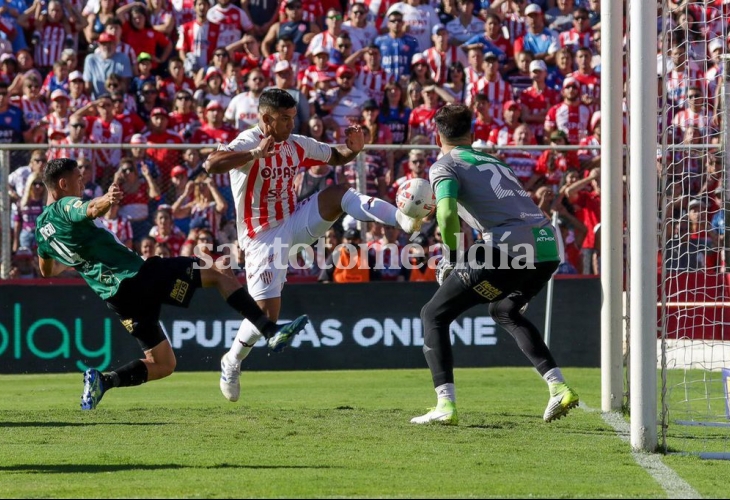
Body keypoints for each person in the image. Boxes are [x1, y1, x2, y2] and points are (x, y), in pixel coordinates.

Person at [35, 157, 309, 411]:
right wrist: (106, 199)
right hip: (135, 276)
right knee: (217, 270)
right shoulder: (64, 206)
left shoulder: (41, 228)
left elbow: (47, 270)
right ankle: (269, 329)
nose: (82, 183)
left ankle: (103, 381)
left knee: (164, 363)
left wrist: (79, 259)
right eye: (78, 178)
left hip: (116, 298)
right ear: (63, 184)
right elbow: (89, 208)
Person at [204, 88, 422, 403]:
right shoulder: (248, 142)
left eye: (294, 117)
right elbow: (212, 164)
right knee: (266, 313)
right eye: (284, 118)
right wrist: (254, 155)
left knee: (340, 193)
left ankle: (401, 220)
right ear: (266, 118)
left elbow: (335, 155)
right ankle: (232, 360)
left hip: (293, 221)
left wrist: (354, 150)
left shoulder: (296, 144)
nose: (292, 123)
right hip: (260, 237)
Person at [410, 104, 579, 425]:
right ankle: (559, 387)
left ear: (437, 135)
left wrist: (451, 258)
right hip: (546, 246)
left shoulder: (443, 166)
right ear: (472, 134)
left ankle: (445, 405)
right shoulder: (493, 159)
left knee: (433, 314)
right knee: (504, 311)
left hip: (505, 246)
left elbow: (445, 214)